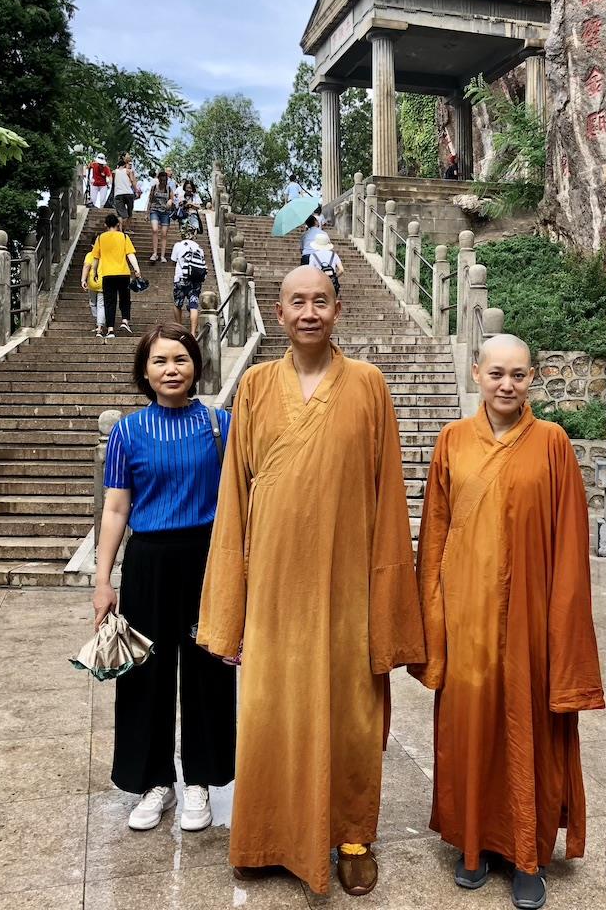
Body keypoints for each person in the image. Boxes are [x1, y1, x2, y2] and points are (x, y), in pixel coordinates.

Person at [196, 265, 425, 897]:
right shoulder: (256, 389)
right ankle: (267, 835)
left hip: (347, 579)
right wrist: (230, 603)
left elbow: (387, 498)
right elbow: (235, 497)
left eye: (320, 301)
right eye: (297, 301)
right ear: (278, 312)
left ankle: (352, 838)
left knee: (351, 708)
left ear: (338, 310)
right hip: (274, 583)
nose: (309, 312)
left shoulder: (369, 386)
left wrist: (388, 597)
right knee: (270, 707)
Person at [409, 334, 605, 910]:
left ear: (533, 378)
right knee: (470, 730)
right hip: (467, 618)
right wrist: (433, 624)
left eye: (518, 375)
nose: (506, 385)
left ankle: (527, 854)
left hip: (531, 620)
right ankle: (472, 846)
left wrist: (564, 635)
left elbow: (571, 545)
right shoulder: (451, 442)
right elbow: (435, 538)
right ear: (476, 374)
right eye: (497, 373)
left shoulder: (552, 444)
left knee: (529, 734)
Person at [92, 324, 237, 834]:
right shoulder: (128, 432)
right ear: (144, 370)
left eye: (180, 359)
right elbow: (115, 508)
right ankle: (155, 782)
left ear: (196, 365)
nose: (170, 369)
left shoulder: (223, 424)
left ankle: (200, 779)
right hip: (149, 559)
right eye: (159, 361)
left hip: (208, 559)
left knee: (207, 669)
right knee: (145, 675)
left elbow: (243, 499)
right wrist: (103, 578)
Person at [91, 213, 143, 340]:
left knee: (110, 302)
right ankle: (125, 321)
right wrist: (137, 270)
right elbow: (131, 255)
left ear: (105, 225)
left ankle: (110, 330)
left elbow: (96, 258)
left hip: (108, 274)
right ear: (118, 224)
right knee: (125, 299)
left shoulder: (100, 238)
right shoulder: (124, 237)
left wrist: (95, 271)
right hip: (123, 273)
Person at [170, 235, 207, 335]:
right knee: (193, 305)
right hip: (195, 280)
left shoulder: (178, 245)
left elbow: (173, 261)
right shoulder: (199, 248)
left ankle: (179, 330)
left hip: (181, 278)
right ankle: (193, 332)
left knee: (178, 304)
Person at [148, 171, 174, 263]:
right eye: (162, 180)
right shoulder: (154, 188)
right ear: (158, 179)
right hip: (154, 210)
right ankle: (154, 253)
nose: (163, 182)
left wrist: (170, 201)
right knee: (155, 229)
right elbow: (150, 200)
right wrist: (147, 213)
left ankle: (162, 255)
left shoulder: (169, 189)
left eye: (165, 180)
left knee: (164, 233)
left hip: (165, 212)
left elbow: (172, 199)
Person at [308, 232, 344, 297]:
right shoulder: (334, 254)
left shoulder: (313, 255)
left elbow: (311, 271)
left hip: (319, 283)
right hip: (332, 283)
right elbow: (341, 270)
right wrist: (334, 277)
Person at [80, 242, 104, 337]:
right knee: (101, 305)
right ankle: (100, 326)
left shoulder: (90, 255)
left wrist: (83, 280)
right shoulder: (106, 255)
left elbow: (86, 267)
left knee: (93, 303)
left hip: (92, 283)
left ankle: (98, 323)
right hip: (104, 282)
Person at [112, 155, 138, 232]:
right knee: (129, 213)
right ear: (124, 165)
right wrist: (136, 190)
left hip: (118, 194)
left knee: (120, 214)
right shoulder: (129, 171)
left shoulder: (114, 172)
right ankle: (126, 229)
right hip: (128, 193)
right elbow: (133, 181)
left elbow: (111, 180)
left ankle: (120, 230)